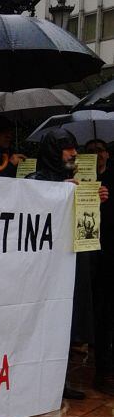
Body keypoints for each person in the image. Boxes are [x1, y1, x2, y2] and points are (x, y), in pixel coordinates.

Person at [27, 129, 109, 399]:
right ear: (52, 151)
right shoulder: (33, 181)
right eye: (67, 148)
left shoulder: (72, 182)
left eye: (74, 147)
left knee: (65, 324)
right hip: (42, 272)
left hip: (71, 266)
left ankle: (59, 382)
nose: (74, 153)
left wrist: (90, 201)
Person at [84, 139, 114, 395]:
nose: (98, 156)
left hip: (109, 253)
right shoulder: (77, 176)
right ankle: (102, 370)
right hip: (91, 255)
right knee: (101, 314)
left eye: (100, 151)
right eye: (92, 152)